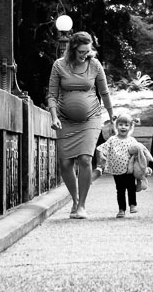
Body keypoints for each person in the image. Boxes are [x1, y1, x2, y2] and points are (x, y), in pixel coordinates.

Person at [47, 30, 114, 219]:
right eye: (81, 52)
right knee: (65, 163)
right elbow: (52, 95)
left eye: (88, 51)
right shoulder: (59, 65)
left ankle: (82, 205)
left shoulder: (94, 65)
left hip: (91, 118)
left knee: (85, 159)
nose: (85, 54)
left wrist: (111, 115)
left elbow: (105, 92)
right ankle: (75, 200)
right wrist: (54, 117)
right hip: (65, 120)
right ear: (72, 49)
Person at [94, 112, 153, 217]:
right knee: (120, 190)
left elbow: (140, 153)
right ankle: (121, 209)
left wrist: (144, 166)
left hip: (129, 169)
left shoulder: (132, 140)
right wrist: (101, 156)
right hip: (117, 170)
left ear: (130, 127)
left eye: (126, 125)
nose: (123, 127)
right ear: (116, 126)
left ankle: (132, 204)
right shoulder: (112, 140)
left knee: (131, 187)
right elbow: (101, 148)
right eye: (120, 124)